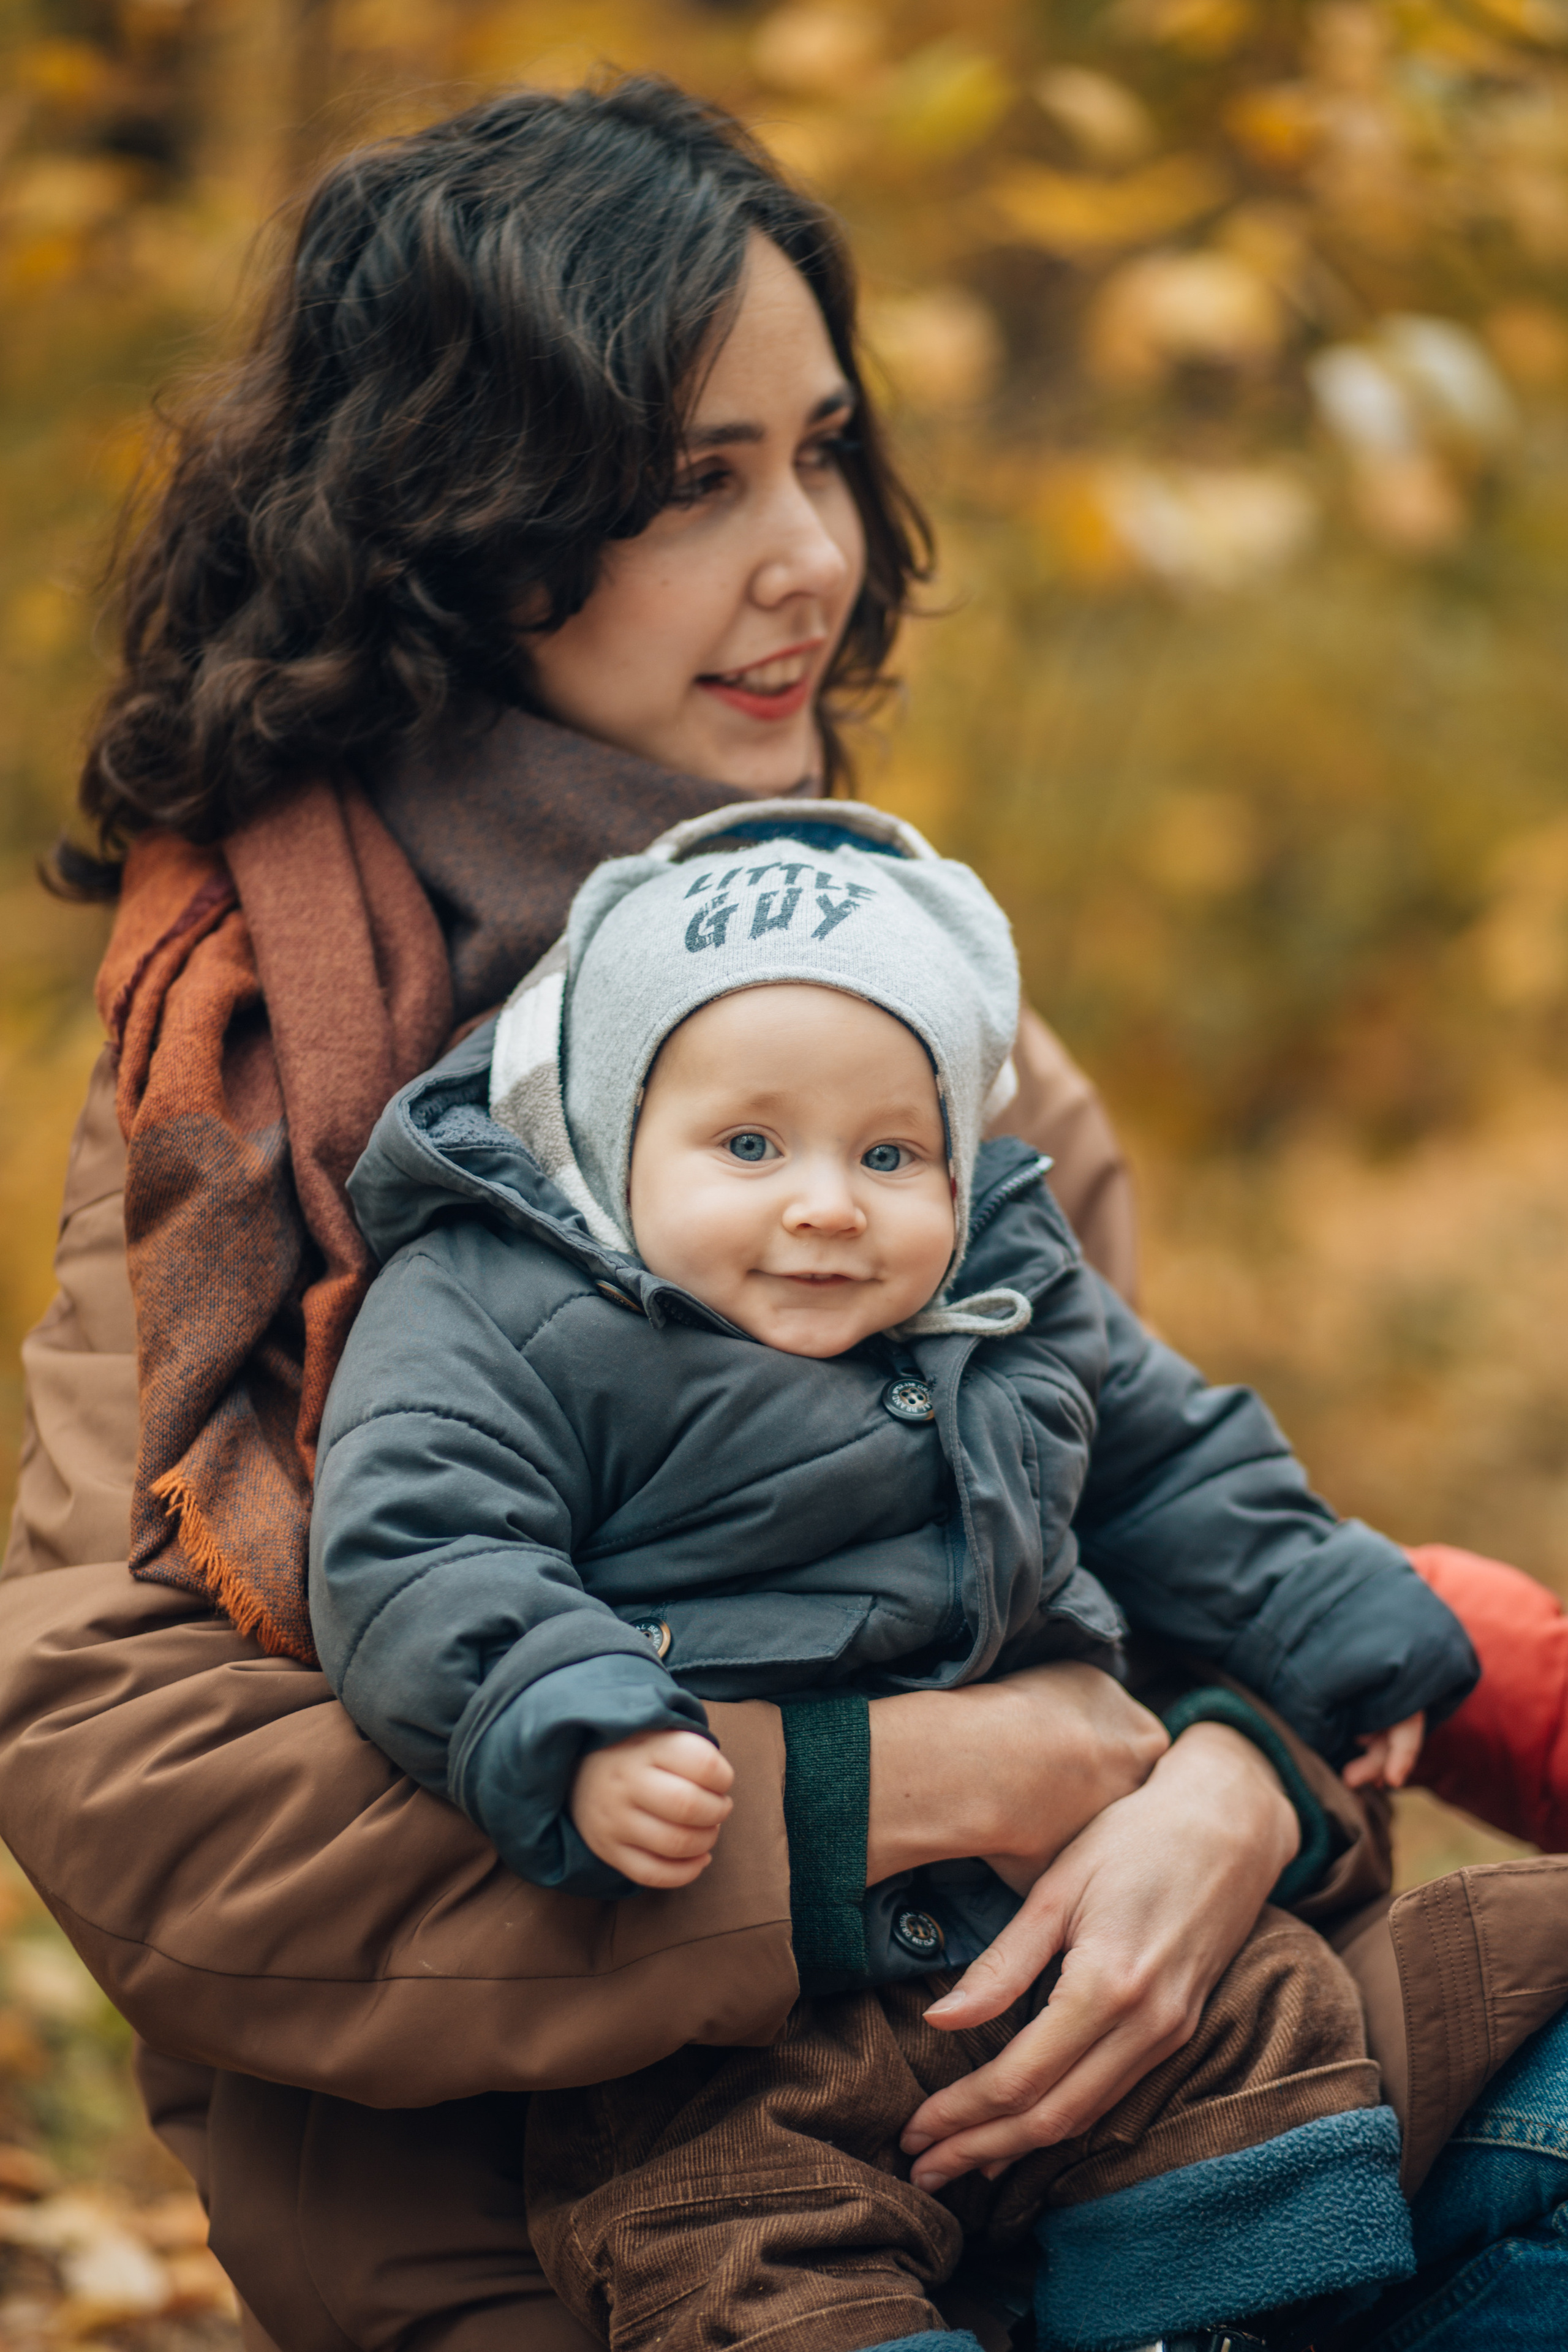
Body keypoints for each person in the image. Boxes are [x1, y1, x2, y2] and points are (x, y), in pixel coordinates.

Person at [0, 74, 1566, 2352]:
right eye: (691, 486)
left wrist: (1238, 1791)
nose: (812, 557)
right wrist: (864, 1795)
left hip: (1124, 2124)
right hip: (617, 2244)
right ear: (461, 521)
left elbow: (1151, 1539)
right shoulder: (250, 1082)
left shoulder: (933, 1040)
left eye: (824, 452)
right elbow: (138, 1797)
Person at [309, 798, 1476, 2351]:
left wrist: (1333, 1619)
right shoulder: (498, 1308)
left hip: (1035, 1924)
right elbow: (422, 1541)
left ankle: (1219, 2312)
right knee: (729, 2232)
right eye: (746, 1144)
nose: (824, 1202)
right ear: (601, 1131)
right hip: (726, 2011)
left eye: (888, 1151)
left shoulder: (1007, 1280)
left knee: (1264, 2023)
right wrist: (565, 1711)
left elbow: (1172, 1459)